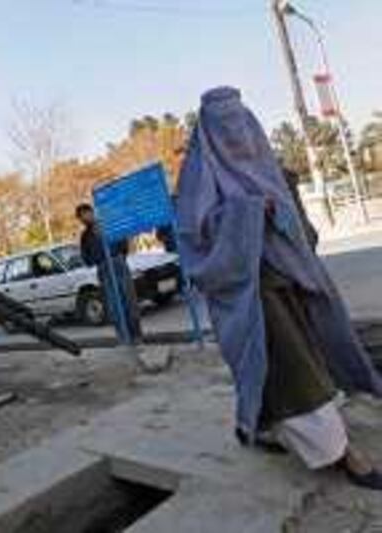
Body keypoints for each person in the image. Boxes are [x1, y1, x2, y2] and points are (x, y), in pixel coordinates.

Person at [177, 86, 382, 489]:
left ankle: (256, 425)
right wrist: (248, 212)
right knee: (296, 372)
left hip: (295, 280)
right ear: (209, 132)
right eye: (224, 126)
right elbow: (193, 238)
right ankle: (343, 454)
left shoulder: (268, 165)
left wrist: (284, 217)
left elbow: (302, 228)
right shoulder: (198, 177)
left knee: (287, 366)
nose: (235, 134)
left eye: (240, 122)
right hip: (250, 294)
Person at [75, 203, 142, 340]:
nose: (85, 218)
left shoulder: (109, 225)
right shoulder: (85, 236)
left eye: (86, 214)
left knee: (129, 299)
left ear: (92, 212)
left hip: (118, 264)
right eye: (81, 217)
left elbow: (123, 244)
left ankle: (137, 335)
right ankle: (123, 337)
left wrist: (119, 258)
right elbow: (86, 258)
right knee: (114, 304)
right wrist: (98, 259)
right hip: (103, 268)